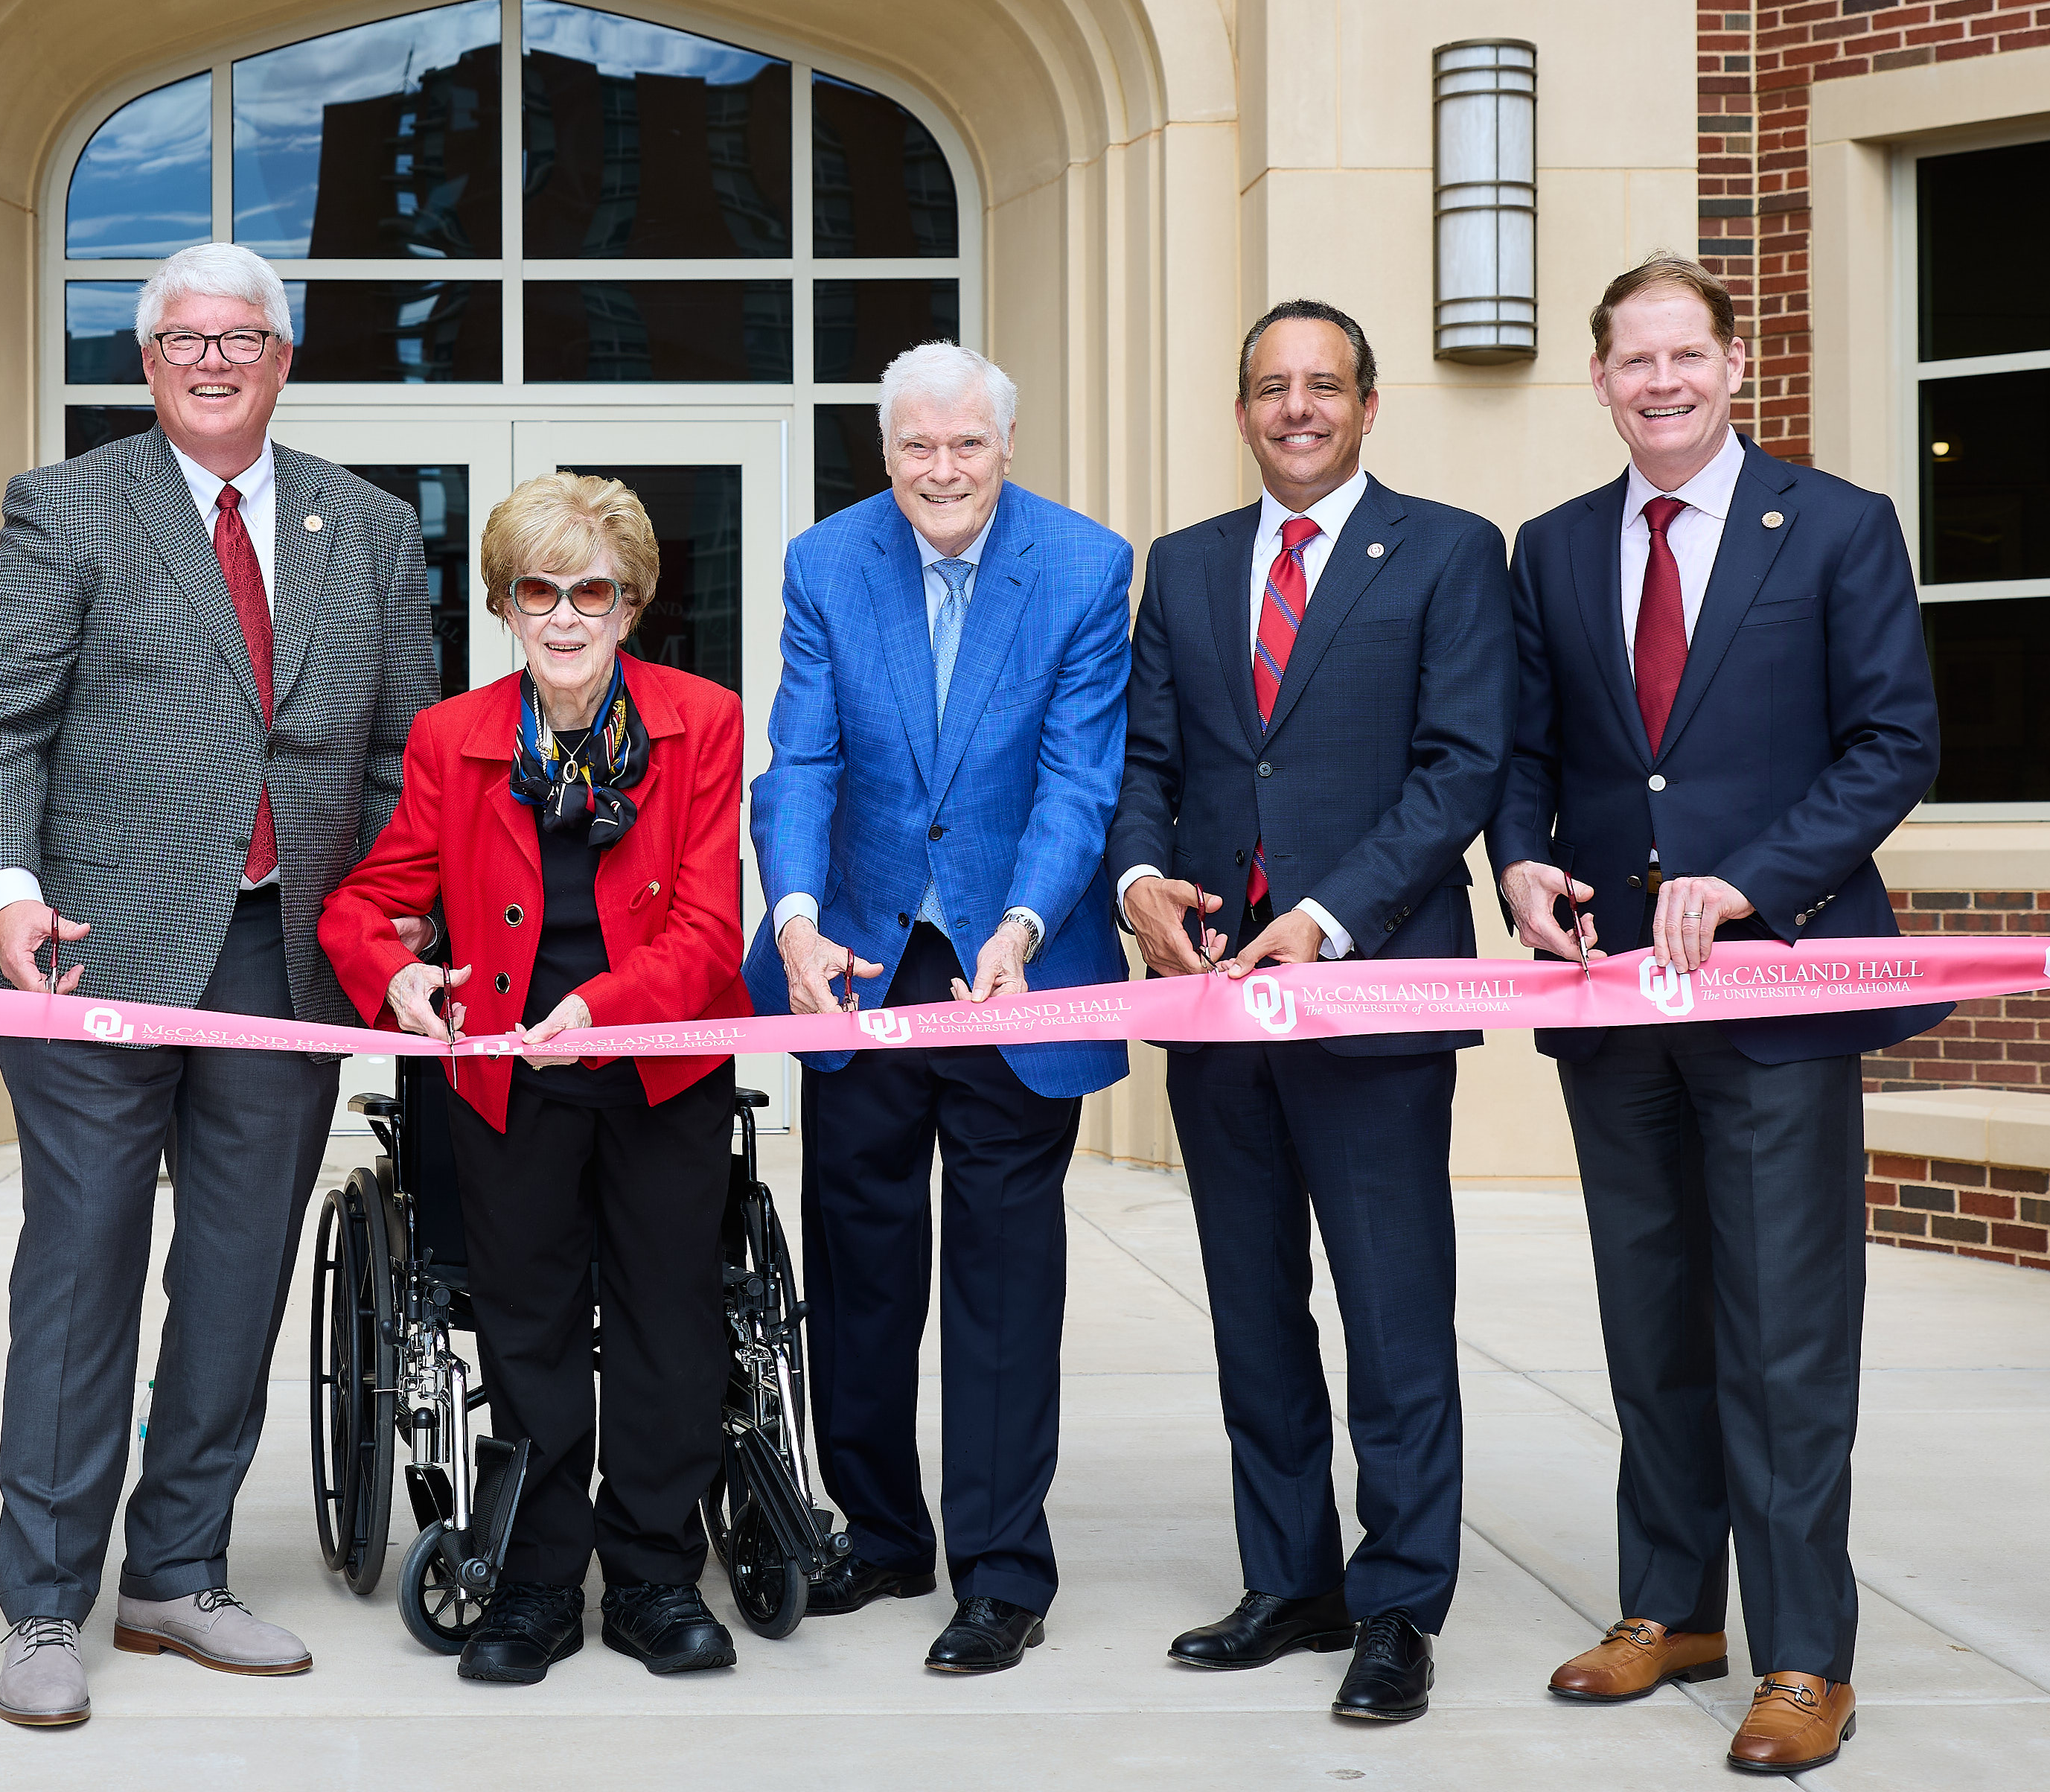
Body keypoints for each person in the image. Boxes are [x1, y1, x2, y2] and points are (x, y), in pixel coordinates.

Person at [0, 240, 440, 1731]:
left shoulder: (367, 524)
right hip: (94, 949)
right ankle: (44, 1596)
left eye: (242, 336)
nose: (213, 359)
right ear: (146, 361)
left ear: (284, 357)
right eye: (183, 339)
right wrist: (9, 890)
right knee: (81, 1269)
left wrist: (391, 932)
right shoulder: (70, 506)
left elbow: (401, 758)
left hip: (283, 963)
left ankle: (176, 1569)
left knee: (237, 1276)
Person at [1494, 255, 1941, 1779]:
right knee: (1653, 1318)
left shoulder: (1836, 527)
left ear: (1736, 364)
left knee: (1785, 1330)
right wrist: (1521, 857)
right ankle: (1670, 1607)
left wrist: (1754, 880)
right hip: (1615, 1000)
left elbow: (1893, 743)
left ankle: (1806, 1648)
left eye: (1688, 354)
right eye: (1635, 361)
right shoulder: (1551, 549)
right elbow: (1524, 749)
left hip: (1779, 990)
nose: (1663, 382)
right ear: (1602, 378)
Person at [1108, 300, 1510, 1728]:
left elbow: (1462, 766)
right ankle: (1291, 1580)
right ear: (1241, 412)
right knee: (1253, 1310)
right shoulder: (1192, 565)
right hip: (1217, 1007)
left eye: (1323, 385)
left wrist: (1330, 918)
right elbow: (1145, 759)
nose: (1297, 409)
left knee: (1395, 1320)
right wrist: (1145, 882)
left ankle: (1399, 1606)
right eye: (1272, 388)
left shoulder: (1454, 553)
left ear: (1368, 404)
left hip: (1372, 995)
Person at [321, 475, 753, 1687]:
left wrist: (600, 1011)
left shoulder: (699, 722)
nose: (566, 618)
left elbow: (713, 932)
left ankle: (658, 1577)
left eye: (592, 592)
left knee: (673, 1326)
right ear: (505, 606)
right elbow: (372, 899)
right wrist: (395, 980)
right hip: (509, 1082)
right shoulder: (453, 738)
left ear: (632, 604)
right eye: (538, 592)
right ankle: (539, 1582)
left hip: (660, 1068)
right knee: (529, 1329)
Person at [744, 339, 1134, 1677]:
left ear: (1007, 447)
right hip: (857, 959)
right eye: (918, 446)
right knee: (860, 1260)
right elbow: (798, 758)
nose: (943, 469)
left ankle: (1003, 1570)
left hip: (1016, 965)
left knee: (1003, 1276)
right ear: (887, 450)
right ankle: (885, 1531)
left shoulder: (1083, 567)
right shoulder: (826, 562)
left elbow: (1082, 780)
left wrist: (1022, 928)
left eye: (967, 445)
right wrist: (793, 918)